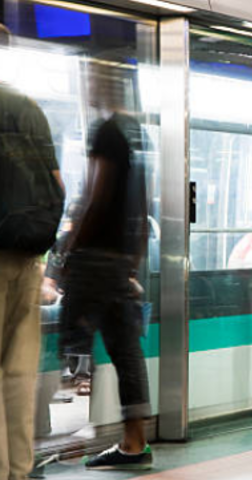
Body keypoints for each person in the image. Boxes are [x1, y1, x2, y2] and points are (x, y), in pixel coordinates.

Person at [60, 56, 152, 469]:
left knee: (72, 342)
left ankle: (65, 442)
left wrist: (68, 249)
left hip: (94, 259)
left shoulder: (106, 131)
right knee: (126, 350)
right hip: (119, 261)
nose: (86, 87)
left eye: (90, 78)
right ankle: (134, 444)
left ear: (102, 84)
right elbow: (144, 205)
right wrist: (132, 262)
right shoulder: (136, 134)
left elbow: (95, 195)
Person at [0, 24, 65, 480]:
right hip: (27, 258)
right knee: (19, 372)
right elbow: (57, 186)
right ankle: (18, 471)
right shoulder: (27, 106)